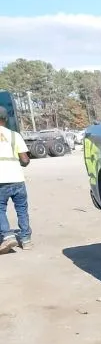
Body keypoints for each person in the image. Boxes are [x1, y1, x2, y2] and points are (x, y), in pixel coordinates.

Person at [0, 106, 31, 254]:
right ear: (6, 119)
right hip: (17, 179)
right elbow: (25, 160)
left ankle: (8, 235)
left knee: (0, 209)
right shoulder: (15, 136)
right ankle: (26, 240)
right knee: (22, 209)